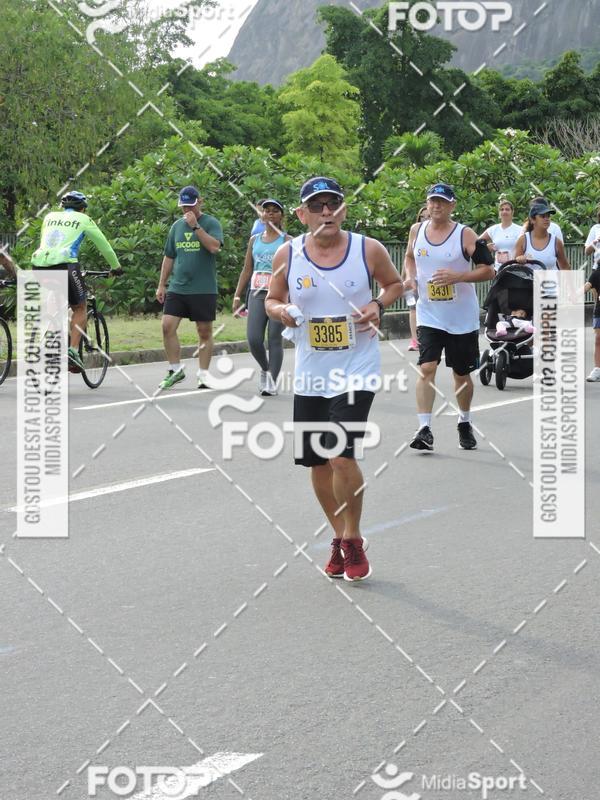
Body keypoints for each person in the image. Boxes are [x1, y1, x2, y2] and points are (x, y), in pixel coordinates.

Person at [265, 176, 403, 582]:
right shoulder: (287, 254)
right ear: (302, 213)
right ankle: (338, 536)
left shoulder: (368, 249)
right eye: (318, 205)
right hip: (310, 374)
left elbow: (396, 285)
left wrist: (378, 304)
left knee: (340, 454)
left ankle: (354, 538)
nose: (327, 212)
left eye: (334, 204)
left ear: (343, 209)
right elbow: (271, 299)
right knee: (317, 463)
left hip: (357, 368)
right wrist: (280, 311)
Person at [403, 182, 495, 452]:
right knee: (427, 368)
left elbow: (488, 270)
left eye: (442, 202)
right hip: (429, 314)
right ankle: (424, 428)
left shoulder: (465, 235)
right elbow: (409, 257)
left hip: (461, 318)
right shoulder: (416, 230)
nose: (435, 206)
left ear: (452, 205)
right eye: (432, 201)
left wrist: (459, 276)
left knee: (461, 375)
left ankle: (464, 421)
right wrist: (410, 277)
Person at [31, 191, 121, 372]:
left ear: (63, 206)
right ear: (83, 209)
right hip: (65, 265)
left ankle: (49, 332)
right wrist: (116, 267)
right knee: (79, 307)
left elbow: (48, 243)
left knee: (56, 298)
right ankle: (72, 351)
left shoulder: (49, 216)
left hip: (38, 265)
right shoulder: (84, 219)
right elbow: (105, 246)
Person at [156, 185, 223, 390]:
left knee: (204, 331)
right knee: (167, 326)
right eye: (184, 207)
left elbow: (214, 247)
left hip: (203, 288)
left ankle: (203, 374)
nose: (187, 211)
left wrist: (196, 227)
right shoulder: (176, 226)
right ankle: (175, 370)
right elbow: (169, 256)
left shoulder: (211, 223)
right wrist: (161, 284)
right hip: (178, 287)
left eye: (191, 206)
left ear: (199, 202)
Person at [233, 199, 290, 395]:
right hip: (257, 293)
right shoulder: (254, 240)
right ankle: (266, 369)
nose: (271, 214)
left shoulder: (287, 241)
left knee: (274, 339)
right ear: (261, 215)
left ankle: (272, 382)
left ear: (281, 215)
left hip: (280, 295)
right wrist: (237, 296)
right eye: (267, 211)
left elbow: (296, 270)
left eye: (275, 211)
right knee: (254, 338)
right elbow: (247, 269)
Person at [514, 202, 571, 270]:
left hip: (551, 280)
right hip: (529, 280)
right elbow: (515, 269)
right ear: (532, 220)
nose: (547, 219)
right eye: (542, 216)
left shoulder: (557, 242)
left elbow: (565, 267)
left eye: (548, 216)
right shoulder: (522, 240)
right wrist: (518, 260)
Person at [402, 206, 429, 351]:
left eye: (428, 216)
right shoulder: (415, 230)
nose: (425, 219)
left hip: (430, 280)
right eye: (422, 217)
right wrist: (406, 277)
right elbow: (408, 256)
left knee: (428, 306)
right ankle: (415, 340)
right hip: (414, 279)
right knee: (413, 308)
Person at [480, 199, 522, 269]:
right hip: (498, 271)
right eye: (502, 210)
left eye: (507, 209)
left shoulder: (520, 230)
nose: (504, 211)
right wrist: (485, 248)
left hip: (515, 271)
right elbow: (476, 243)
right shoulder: (493, 229)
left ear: (512, 212)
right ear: (499, 213)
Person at [583, 268, 600, 382]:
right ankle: (597, 369)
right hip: (599, 310)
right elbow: (587, 286)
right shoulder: (596, 274)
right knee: (598, 340)